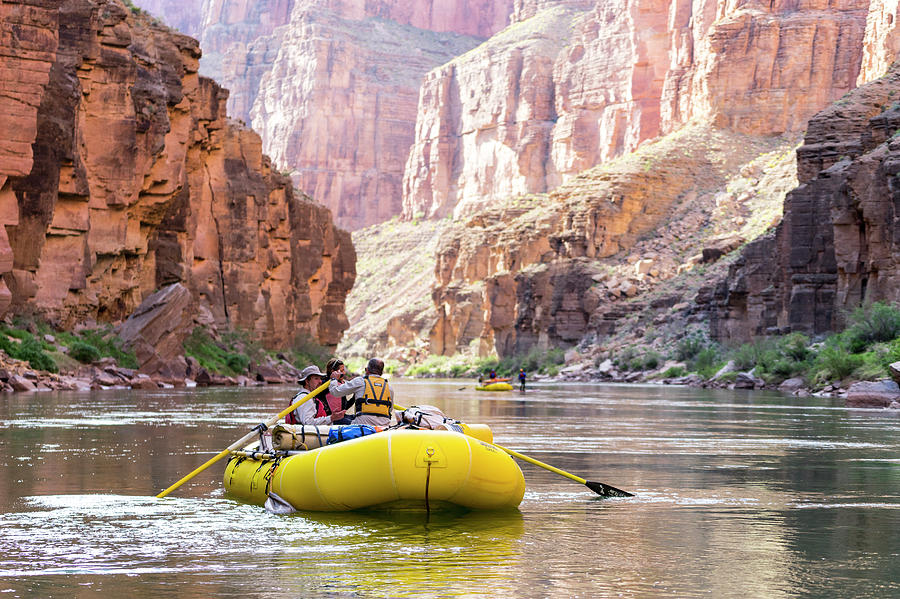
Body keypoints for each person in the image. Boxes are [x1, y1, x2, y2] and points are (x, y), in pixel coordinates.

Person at [327, 357, 394, 428]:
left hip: (362, 425)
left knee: (336, 421)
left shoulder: (360, 381)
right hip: (384, 426)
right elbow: (390, 409)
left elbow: (335, 392)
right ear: (381, 372)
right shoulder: (389, 387)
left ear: (366, 370)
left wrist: (334, 379)